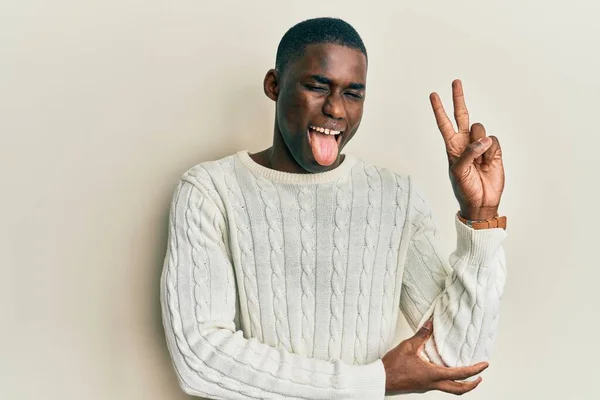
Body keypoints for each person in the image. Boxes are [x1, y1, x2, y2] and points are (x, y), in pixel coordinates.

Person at [159, 17, 507, 399]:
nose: (336, 110)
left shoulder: (398, 197)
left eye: (353, 94)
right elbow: (200, 359)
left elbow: (457, 359)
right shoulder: (210, 190)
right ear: (274, 85)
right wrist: (372, 383)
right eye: (316, 86)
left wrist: (480, 218)